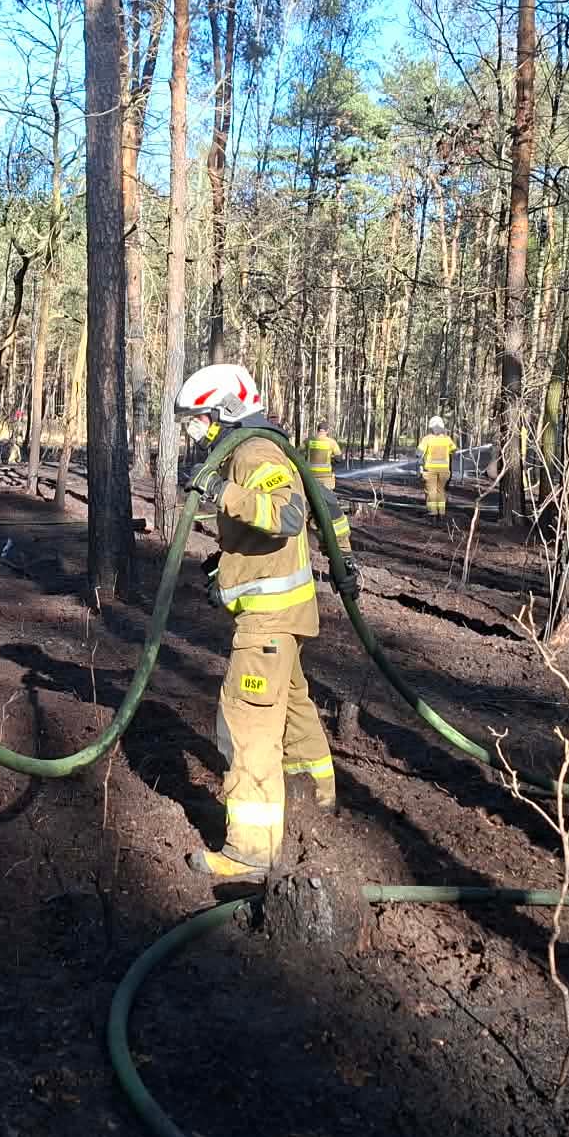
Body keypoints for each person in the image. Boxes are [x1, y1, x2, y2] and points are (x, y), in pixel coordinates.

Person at [173, 363, 345, 872]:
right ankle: (316, 801)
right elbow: (313, 511)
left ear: (224, 410)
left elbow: (288, 515)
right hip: (281, 616)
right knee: (291, 709)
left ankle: (249, 854)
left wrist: (221, 494)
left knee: (246, 724)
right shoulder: (252, 451)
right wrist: (225, 568)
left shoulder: (253, 452)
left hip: (267, 624)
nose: (194, 431)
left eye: (197, 420)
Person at [304, 422, 352, 556]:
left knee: (309, 505)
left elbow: (298, 453)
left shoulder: (309, 441)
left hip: (310, 478)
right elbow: (338, 458)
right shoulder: (331, 443)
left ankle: (310, 531)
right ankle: (326, 533)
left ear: (317, 430)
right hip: (325, 480)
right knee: (328, 507)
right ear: (327, 431)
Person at [417, 415, 457, 518]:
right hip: (444, 471)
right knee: (441, 491)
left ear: (431, 427)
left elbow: (418, 453)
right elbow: (454, 450)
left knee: (431, 492)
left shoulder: (427, 439)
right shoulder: (447, 439)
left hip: (430, 470)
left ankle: (433, 514)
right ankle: (442, 513)